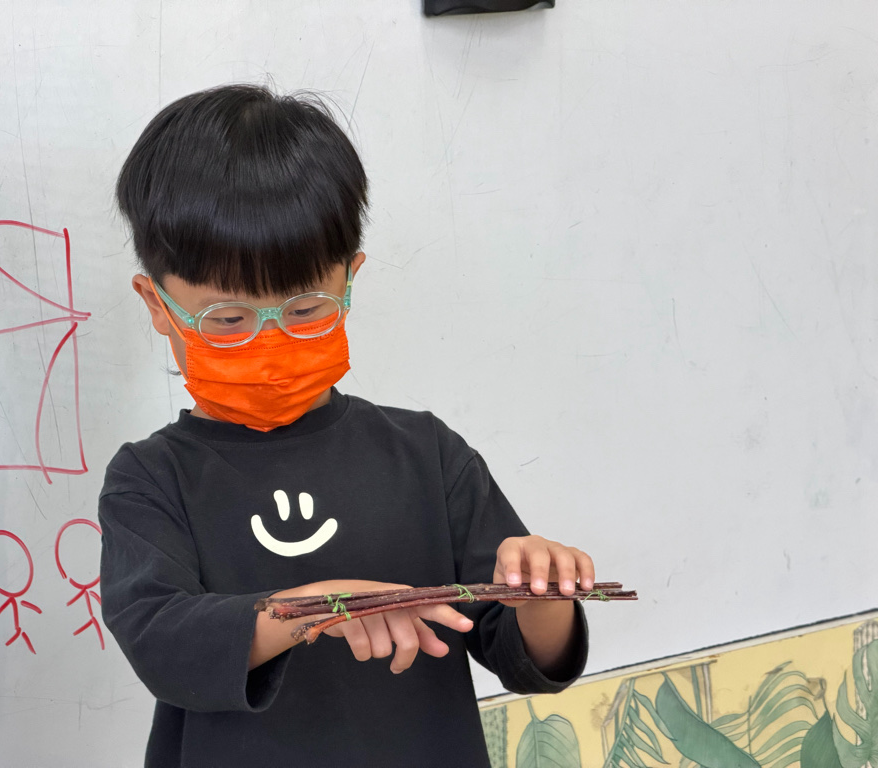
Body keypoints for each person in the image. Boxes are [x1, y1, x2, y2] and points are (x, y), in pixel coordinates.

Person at [99, 82, 595, 768]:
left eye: (305, 310)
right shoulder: (152, 478)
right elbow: (162, 641)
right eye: (228, 319)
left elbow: (525, 657)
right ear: (157, 304)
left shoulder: (426, 455)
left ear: (349, 279)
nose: (270, 340)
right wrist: (313, 607)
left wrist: (544, 597)